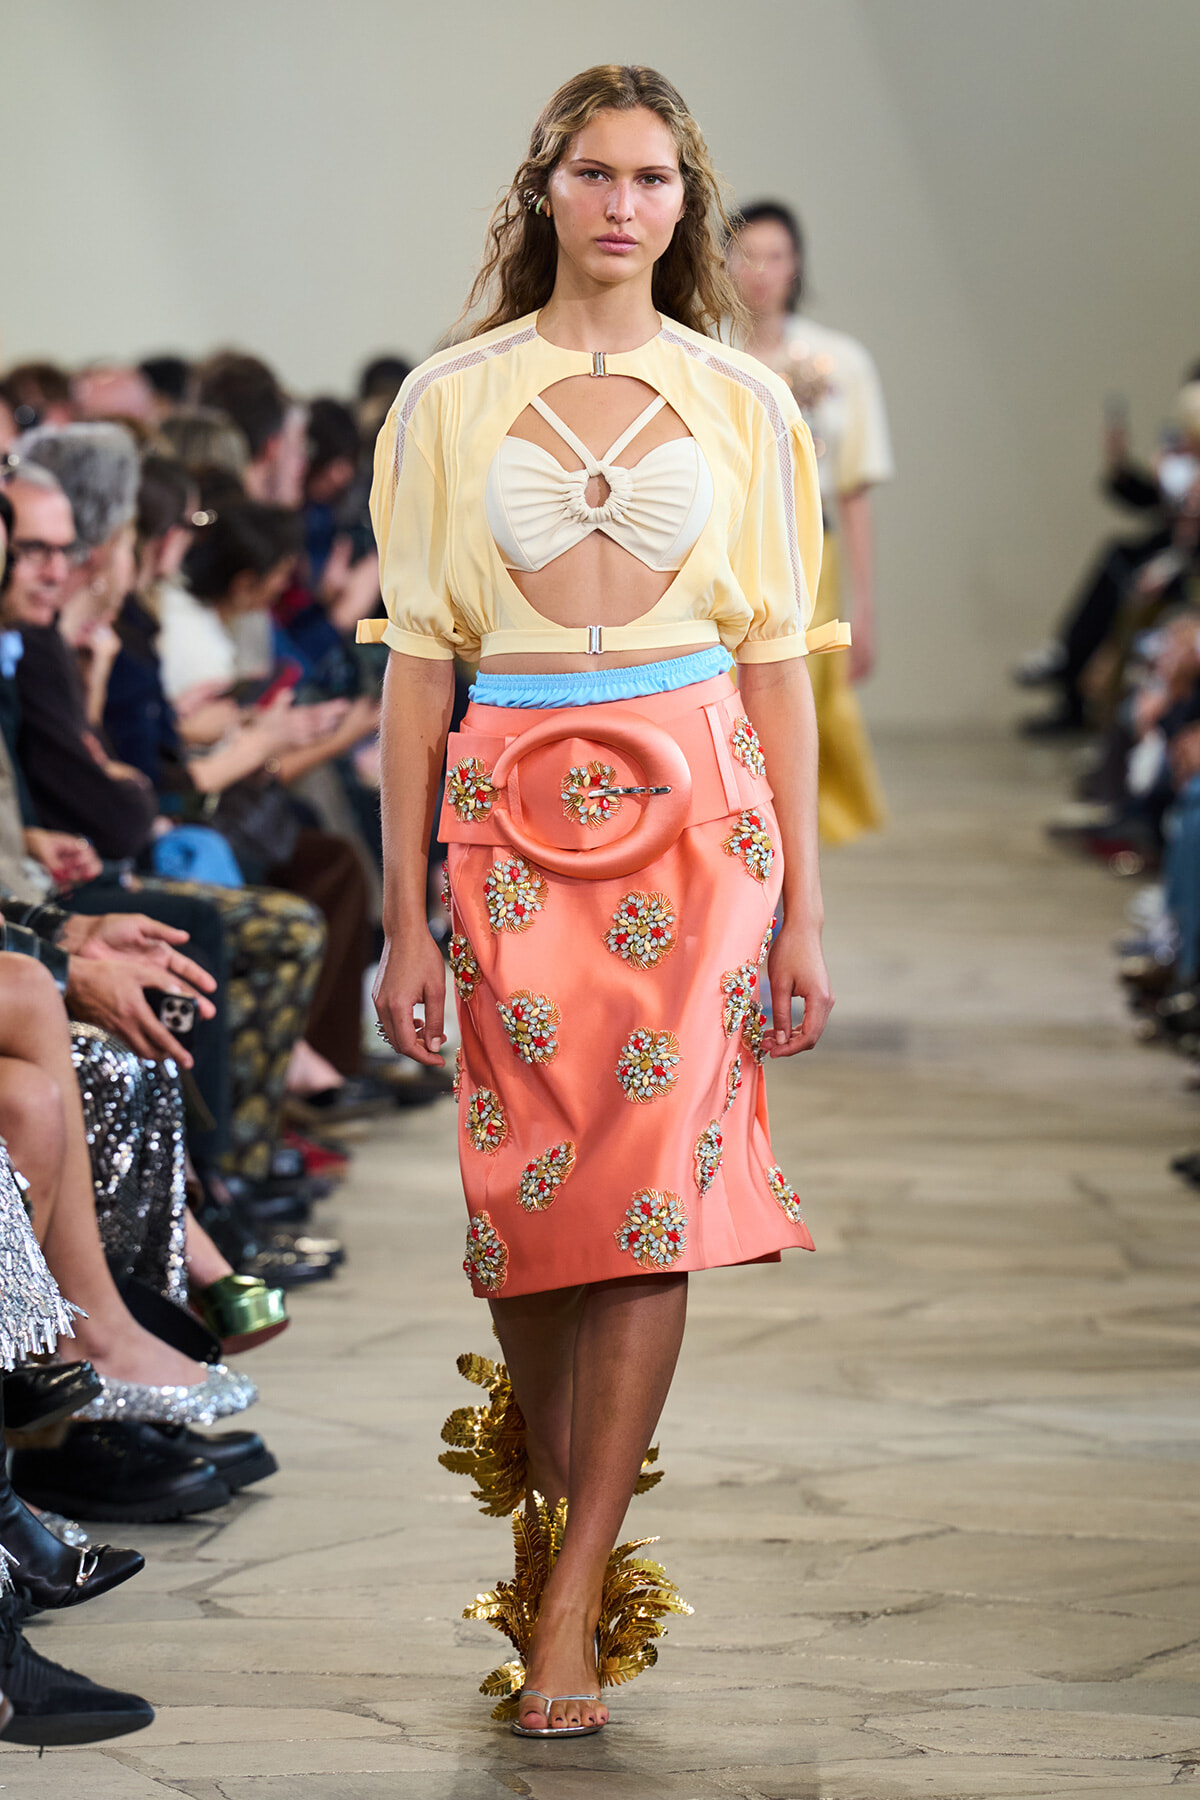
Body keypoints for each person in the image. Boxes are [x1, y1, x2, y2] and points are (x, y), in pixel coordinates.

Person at [366, 64, 838, 1737]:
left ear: (683, 202)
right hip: (505, 816)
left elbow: (783, 663)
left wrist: (802, 910)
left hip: (698, 824)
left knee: (648, 1197)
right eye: (593, 172)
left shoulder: (747, 404)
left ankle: (572, 1598)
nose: (624, 202)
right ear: (544, 192)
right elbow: (417, 667)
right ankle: (550, 1528)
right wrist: (402, 913)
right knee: (526, 1205)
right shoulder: (446, 399)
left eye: (653, 177)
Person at [729, 200, 892, 844]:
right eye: (746, 255)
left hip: (807, 550)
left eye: (775, 256)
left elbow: (853, 491)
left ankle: (794, 847)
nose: (761, 272)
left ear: (797, 266)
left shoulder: (839, 361)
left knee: (804, 701)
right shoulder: (703, 356)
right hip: (727, 551)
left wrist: (868, 608)